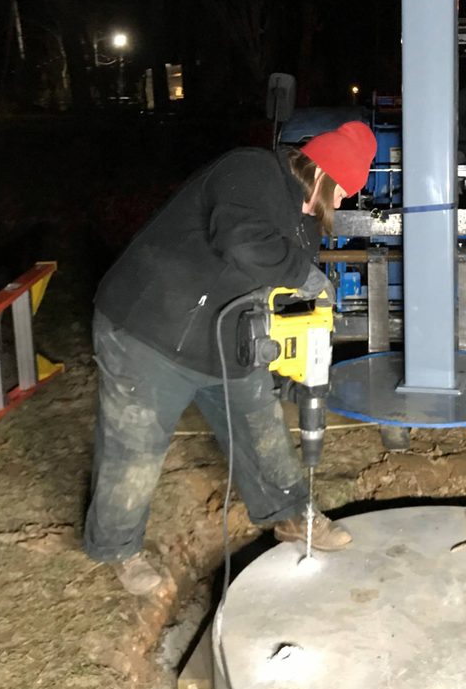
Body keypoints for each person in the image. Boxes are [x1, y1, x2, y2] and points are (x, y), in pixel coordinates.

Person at [83, 121, 377, 594]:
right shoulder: (251, 169)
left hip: (227, 337)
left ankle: (290, 515)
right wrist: (304, 274)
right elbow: (241, 239)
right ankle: (117, 547)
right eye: (342, 190)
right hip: (147, 330)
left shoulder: (306, 223)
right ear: (322, 172)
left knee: (261, 427)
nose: (340, 203)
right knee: (134, 447)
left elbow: (278, 284)